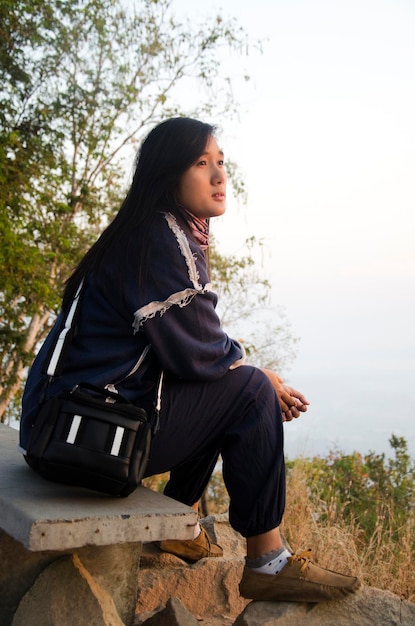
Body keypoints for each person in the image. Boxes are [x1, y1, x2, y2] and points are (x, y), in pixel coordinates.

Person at [20, 117, 361, 602]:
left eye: (221, 163)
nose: (220, 176)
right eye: (202, 164)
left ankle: (177, 519)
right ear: (168, 174)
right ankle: (269, 561)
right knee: (248, 392)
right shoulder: (159, 236)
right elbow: (201, 352)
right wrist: (259, 380)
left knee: (234, 384)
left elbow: (189, 355)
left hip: (58, 430)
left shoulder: (145, 231)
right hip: (83, 440)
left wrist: (243, 373)